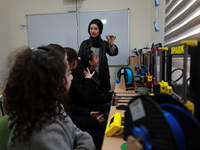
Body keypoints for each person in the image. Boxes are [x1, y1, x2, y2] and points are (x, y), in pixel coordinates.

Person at [3, 45, 95, 150]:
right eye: (68, 73)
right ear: (54, 82)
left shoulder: (51, 104)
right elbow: (82, 137)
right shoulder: (43, 135)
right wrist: (86, 142)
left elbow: (75, 131)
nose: (72, 76)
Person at [65, 47, 106, 149]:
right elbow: (86, 98)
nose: (71, 77)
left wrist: (88, 113)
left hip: (84, 116)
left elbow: (72, 108)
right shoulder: (80, 77)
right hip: (82, 123)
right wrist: (94, 121)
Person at [79, 18, 118, 92]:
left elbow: (113, 53)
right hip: (88, 76)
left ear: (100, 30)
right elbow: (80, 60)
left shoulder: (104, 43)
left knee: (102, 97)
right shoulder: (85, 43)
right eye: (91, 28)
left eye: (95, 29)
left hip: (102, 76)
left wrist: (111, 44)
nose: (93, 31)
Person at [71, 49, 112, 114]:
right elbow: (95, 97)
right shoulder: (84, 75)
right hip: (92, 106)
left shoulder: (93, 71)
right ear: (91, 62)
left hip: (98, 101)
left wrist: (111, 95)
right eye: (96, 58)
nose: (98, 59)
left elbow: (100, 91)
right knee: (114, 106)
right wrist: (110, 97)